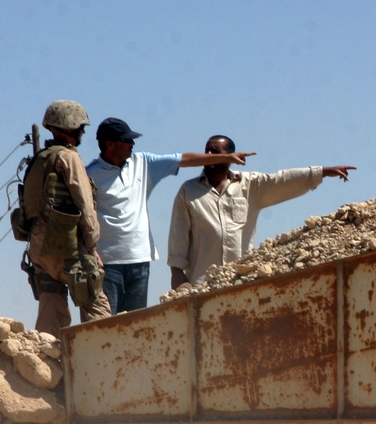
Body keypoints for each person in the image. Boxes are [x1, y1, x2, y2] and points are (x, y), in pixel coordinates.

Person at [86, 118, 256, 313]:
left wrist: (226, 158)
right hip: (106, 263)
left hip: (140, 261)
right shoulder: (90, 174)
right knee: (105, 325)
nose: (132, 144)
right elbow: (82, 218)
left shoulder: (143, 163)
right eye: (127, 140)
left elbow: (186, 159)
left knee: (132, 325)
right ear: (110, 144)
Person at [167, 135, 355, 287]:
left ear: (230, 156)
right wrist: (177, 273)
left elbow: (282, 180)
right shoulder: (188, 191)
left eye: (215, 151)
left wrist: (321, 172)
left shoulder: (249, 185)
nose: (208, 154)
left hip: (240, 282)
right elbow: (179, 235)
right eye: (206, 150)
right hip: (202, 284)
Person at [22, 100, 111, 336]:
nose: (83, 132)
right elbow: (85, 204)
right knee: (95, 302)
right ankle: (101, 358)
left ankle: (46, 362)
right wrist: (91, 245)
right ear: (70, 125)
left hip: (39, 245)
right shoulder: (68, 158)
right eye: (81, 127)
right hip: (65, 244)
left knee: (51, 306)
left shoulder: (40, 159)